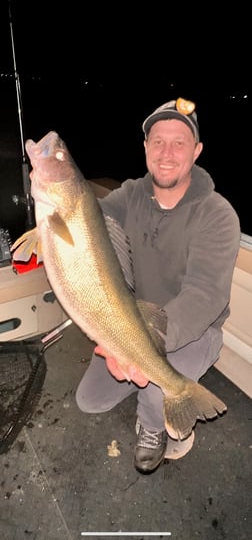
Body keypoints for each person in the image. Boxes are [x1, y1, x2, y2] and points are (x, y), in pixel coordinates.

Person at [76, 97, 241, 474]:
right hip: (133, 322)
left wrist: (140, 350)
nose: (167, 153)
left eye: (179, 143)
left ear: (197, 151)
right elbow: (88, 219)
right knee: (90, 400)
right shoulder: (129, 195)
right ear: (145, 148)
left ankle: (157, 425)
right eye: (158, 142)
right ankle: (145, 381)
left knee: (157, 386)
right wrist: (59, 198)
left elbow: (204, 296)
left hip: (193, 330)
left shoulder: (217, 214)